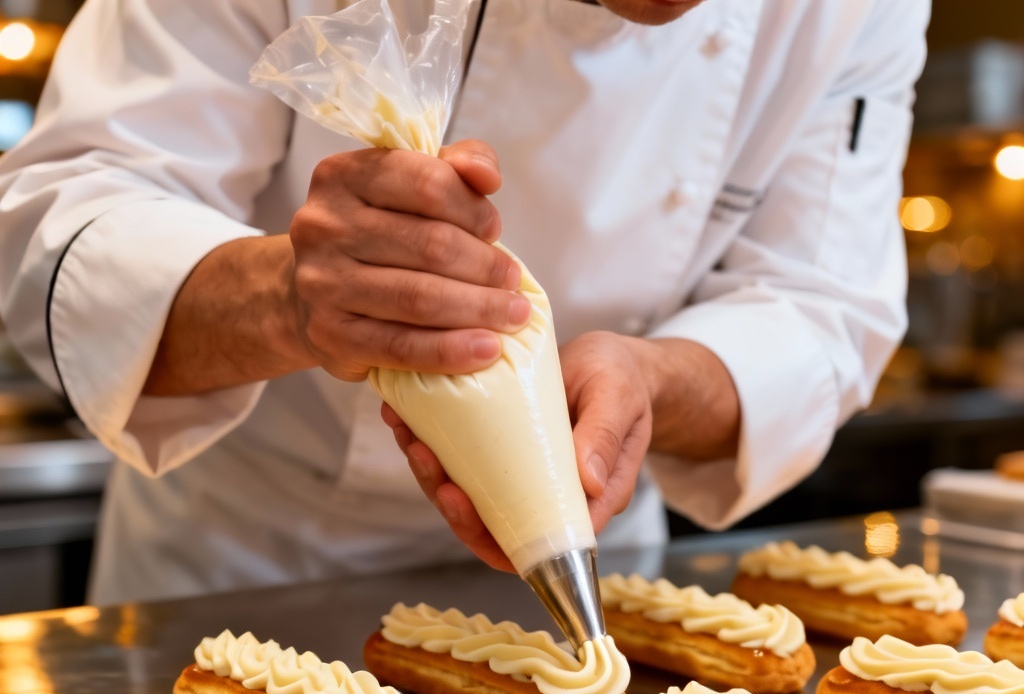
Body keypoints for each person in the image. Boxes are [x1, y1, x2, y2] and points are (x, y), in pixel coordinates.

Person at [0, 0, 929, 604]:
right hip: (240, 573)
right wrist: (287, 295)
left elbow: (818, 307)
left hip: (588, 571)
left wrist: (648, 381)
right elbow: (67, 214)